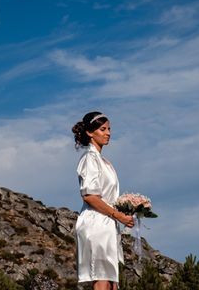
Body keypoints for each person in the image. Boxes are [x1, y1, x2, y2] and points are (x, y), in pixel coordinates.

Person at [72, 111, 134, 290]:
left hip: (108, 222)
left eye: (109, 129)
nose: (108, 133)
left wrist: (126, 210)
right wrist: (118, 216)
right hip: (96, 222)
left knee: (112, 281)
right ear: (90, 133)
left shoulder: (104, 161)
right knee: (102, 276)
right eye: (103, 129)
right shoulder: (90, 159)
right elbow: (89, 195)